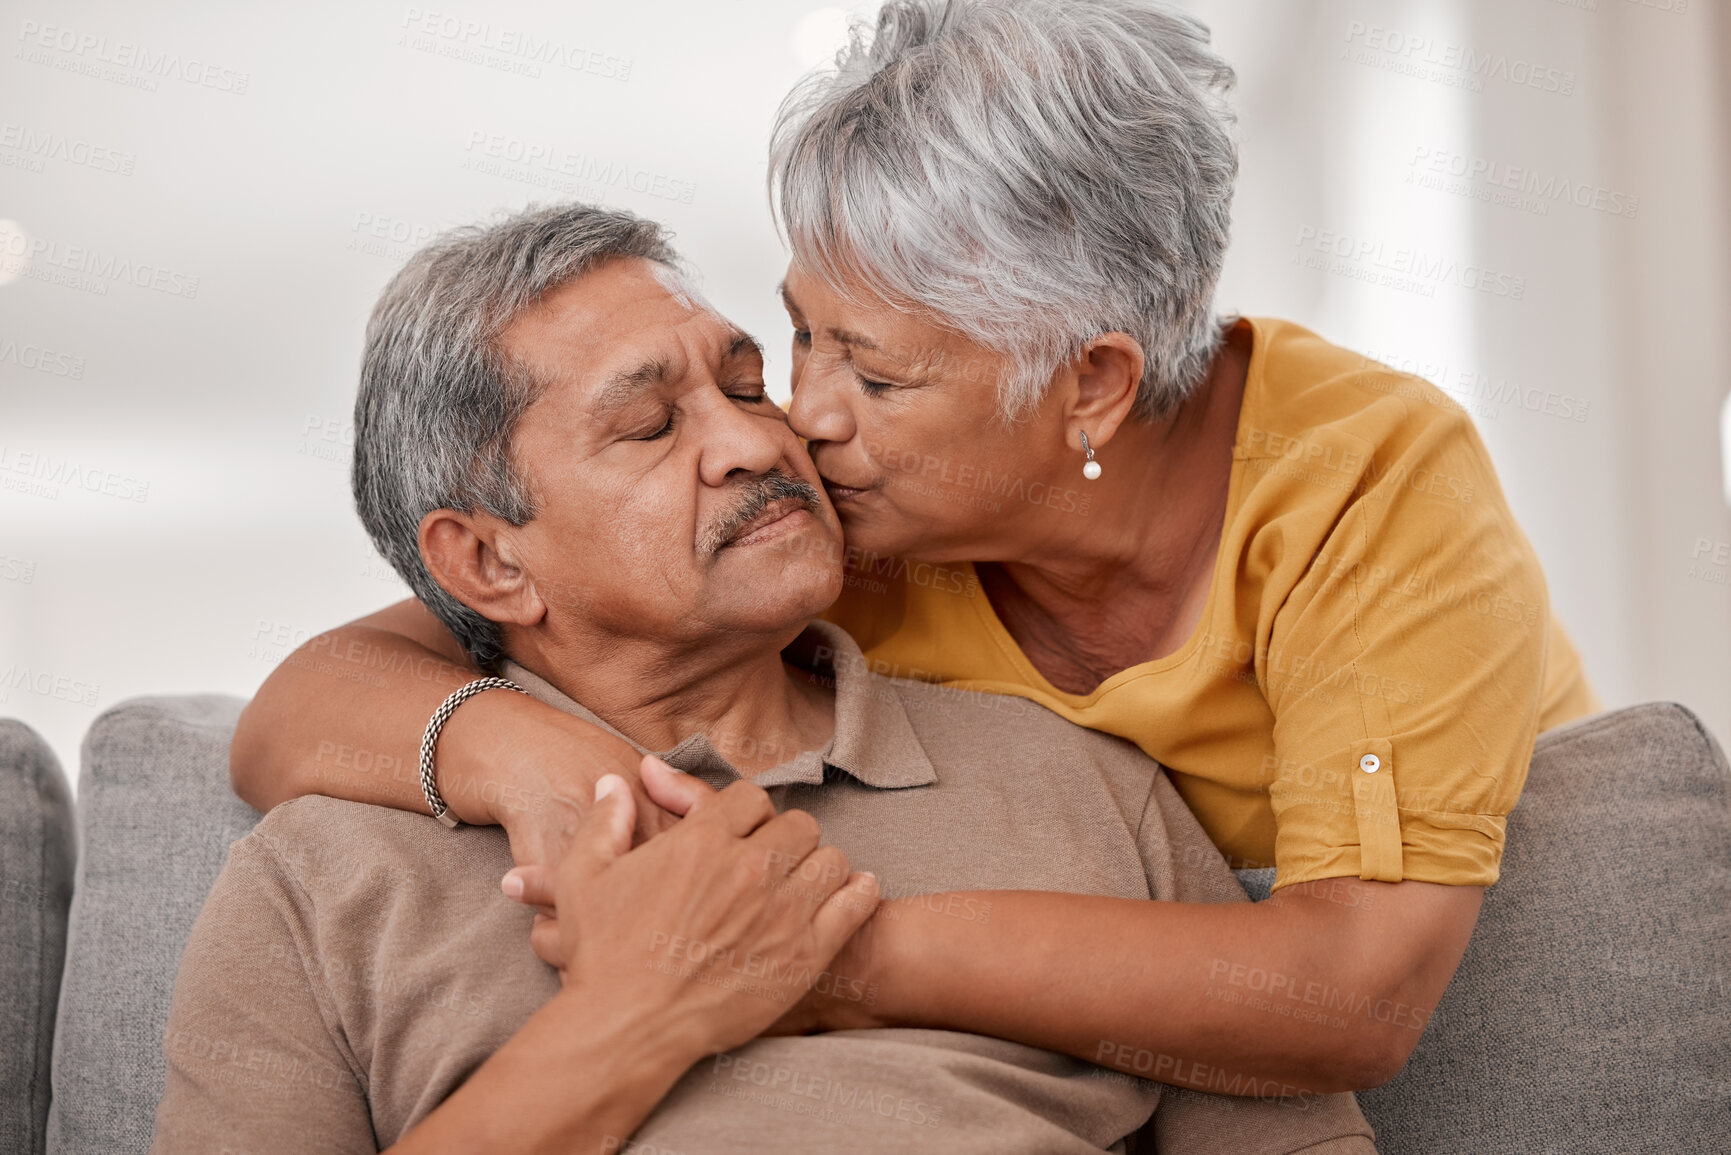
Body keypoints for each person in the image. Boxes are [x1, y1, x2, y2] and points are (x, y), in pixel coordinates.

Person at [232, 0, 1597, 1093]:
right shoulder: (833, 527)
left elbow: (1348, 989)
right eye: (798, 336)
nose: (795, 422)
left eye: (873, 377)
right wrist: (542, 758)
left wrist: (813, 950)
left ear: (1090, 384)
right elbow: (335, 685)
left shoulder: (1360, 489)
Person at [152, 203, 1377, 1153]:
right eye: (650, 429)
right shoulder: (323, 879)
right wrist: (635, 1017)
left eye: (745, 386)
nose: (756, 442)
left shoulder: (1085, 785)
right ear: (486, 560)